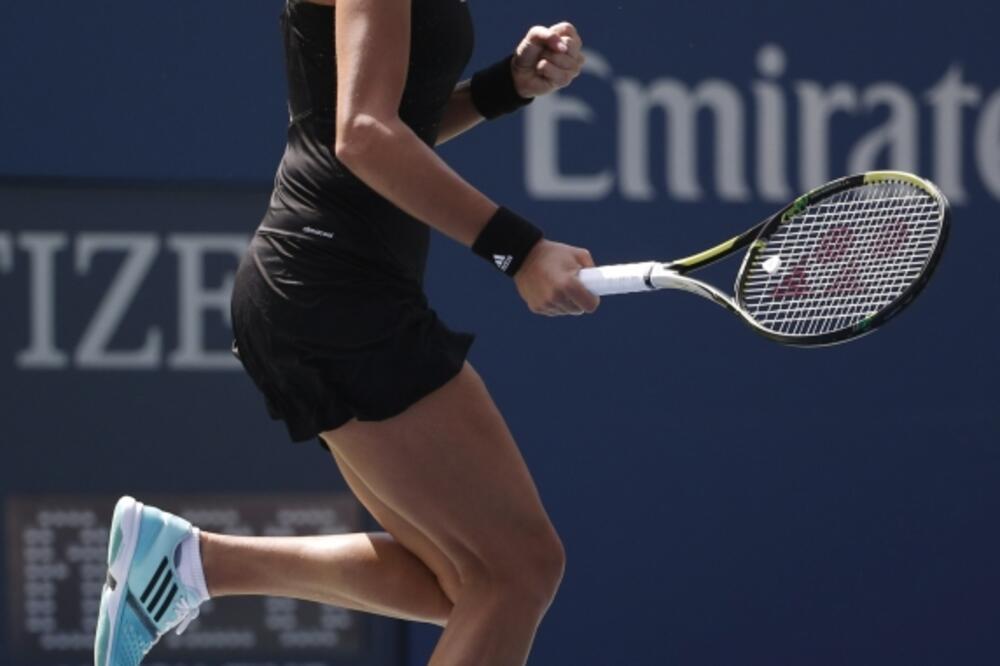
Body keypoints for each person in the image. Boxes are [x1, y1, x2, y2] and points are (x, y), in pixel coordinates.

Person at [94, 0, 598, 664]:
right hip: (334, 289)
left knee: (466, 581)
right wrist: (521, 251)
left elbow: (389, 119)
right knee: (520, 568)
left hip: (326, 290)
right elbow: (361, 133)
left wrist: (503, 86)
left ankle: (194, 565)